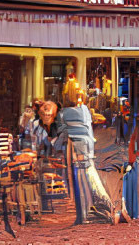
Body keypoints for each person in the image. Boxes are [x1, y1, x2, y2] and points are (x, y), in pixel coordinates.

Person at [60, 78, 127, 225]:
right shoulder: (81, 110)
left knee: (85, 182)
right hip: (83, 148)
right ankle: (96, 211)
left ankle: (101, 211)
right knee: (87, 181)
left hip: (79, 149)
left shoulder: (69, 112)